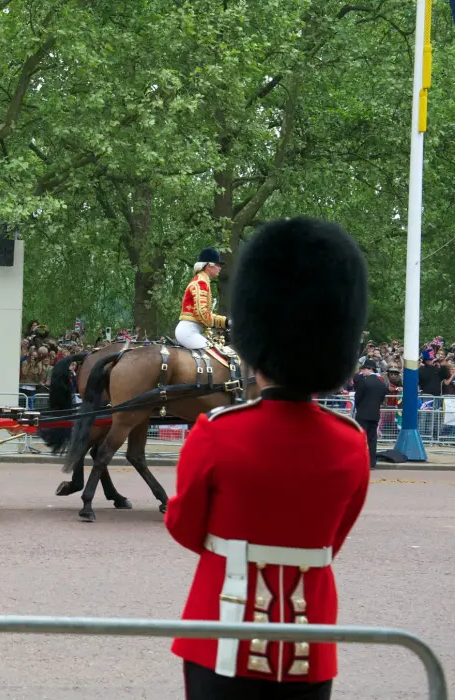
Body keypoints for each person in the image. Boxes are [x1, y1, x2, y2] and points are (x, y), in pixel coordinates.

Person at [165, 218, 371, 699]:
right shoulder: (351, 443)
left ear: (259, 345)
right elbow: (332, 540)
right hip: (310, 646)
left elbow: (184, 527)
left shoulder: (216, 433)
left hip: (219, 641)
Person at [176, 247, 227, 350]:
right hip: (188, 331)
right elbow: (202, 314)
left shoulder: (202, 281)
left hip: (190, 329)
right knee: (214, 355)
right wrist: (224, 322)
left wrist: (225, 321)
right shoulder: (201, 282)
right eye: (217, 265)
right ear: (209, 266)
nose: (220, 268)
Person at [353, 358, 387, 469]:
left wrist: (359, 408)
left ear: (369, 369)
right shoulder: (381, 384)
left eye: (363, 370)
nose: (362, 372)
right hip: (375, 414)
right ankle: (372, 462)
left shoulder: (364, 382)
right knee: (372, 439)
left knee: (360, 438)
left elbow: (358, 397)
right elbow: (382, 399)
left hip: (363, 413)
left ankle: (359, 460)